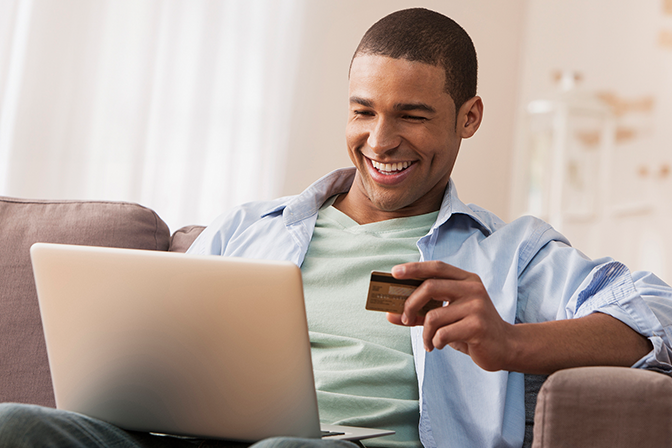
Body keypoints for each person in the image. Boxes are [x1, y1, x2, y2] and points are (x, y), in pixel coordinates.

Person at [1, 7, 671, 448]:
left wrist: (511, 342)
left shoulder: (510, 253)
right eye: (363, 111)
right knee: (17, 426)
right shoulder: (249, 227)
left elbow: (659, 313)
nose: (381, 140)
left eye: (411, 114)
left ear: (468, 117)